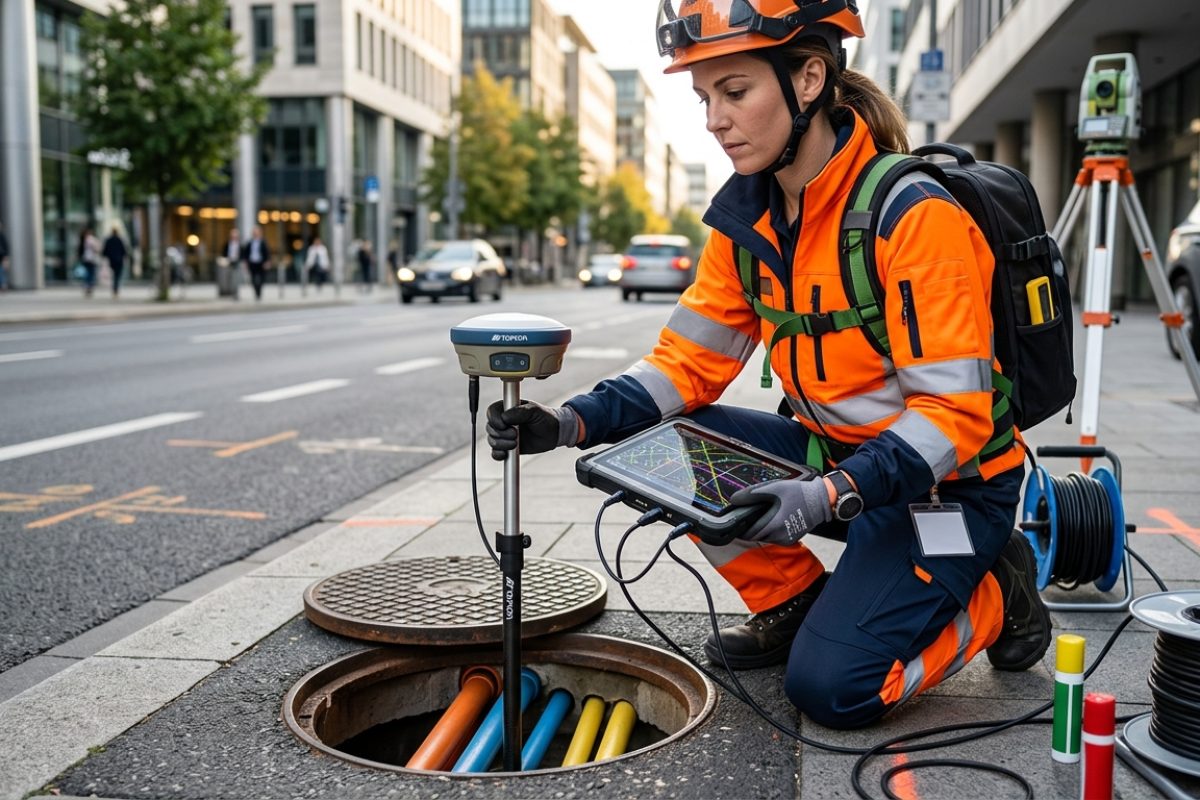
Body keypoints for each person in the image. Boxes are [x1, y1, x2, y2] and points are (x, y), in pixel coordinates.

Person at [487, 0, 1049, 731]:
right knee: (662, 448)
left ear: (808, 79)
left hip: (949, 489)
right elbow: (684, 368)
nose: (715, 120)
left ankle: (997, 590)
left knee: (835, 691)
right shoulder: (746, 225)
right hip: (835, 461)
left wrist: (826, 496)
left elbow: (954, 416)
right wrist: (569, 422)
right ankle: (792, 600)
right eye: (704, 98)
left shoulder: (914, 215)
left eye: (735, 91)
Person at [242, 226, 271, 301]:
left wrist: (267, 262)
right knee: (253, 279)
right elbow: (246, 253)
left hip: (261, 263)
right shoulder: (250, 242)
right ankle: (256, 292)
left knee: (261, 278)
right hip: (252, 263)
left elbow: (267, 253)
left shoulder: (263, 242)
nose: (255, 234)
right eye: (254, 233)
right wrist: (246, 263)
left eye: (257, 232)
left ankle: (259, 291)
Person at [101, 226, 128, 297]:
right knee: (117, 275)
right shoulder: (119, 240)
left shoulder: (109, 240)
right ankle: (115, 288)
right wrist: (125, 256)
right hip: (119, 260)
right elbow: (123, 250)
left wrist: (105, 256)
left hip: (112, 260)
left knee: (114, 274)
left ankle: (114, 288)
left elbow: (105, 250)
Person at [77, 227, 101, 297]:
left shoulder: (82, 240)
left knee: (87, 273)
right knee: (91, 273)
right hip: (91, 259)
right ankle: (89, 286)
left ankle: (86, 285)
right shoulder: (90, 239)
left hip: (85, 259)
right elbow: (96, 248)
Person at [223, 228, 243, 300]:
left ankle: (236, 293)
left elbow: (242, 254)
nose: (234, 237)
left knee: (236, 279)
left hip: (237, 263)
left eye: (235, 236)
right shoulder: (227, 244)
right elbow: (224, 253)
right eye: (233, 236)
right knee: (229, 279)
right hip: (228, 263)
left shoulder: (240, 245)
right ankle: (230, 292)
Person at [0, 222, 9, 292]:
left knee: (2, 272)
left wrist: (6, 258)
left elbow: (6, 247)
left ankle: (3, 286)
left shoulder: (2, 236)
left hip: (2, 257)